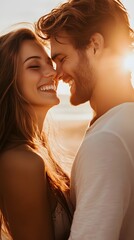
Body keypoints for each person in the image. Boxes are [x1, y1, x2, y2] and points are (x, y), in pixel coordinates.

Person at [35, 0, 134, 239]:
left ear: (95, 46)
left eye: (62, 58)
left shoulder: (107, 140)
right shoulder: (123, 123)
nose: (56, 73)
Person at [0, 27, 72, 240]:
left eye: (49, 63)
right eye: (34, 66)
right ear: (8, 80)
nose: (52, 73)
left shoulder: (38, 151)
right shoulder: (21, 160)